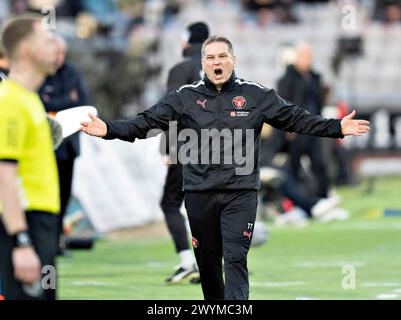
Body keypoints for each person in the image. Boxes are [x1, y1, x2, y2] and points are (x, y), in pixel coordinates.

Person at [80, 36, 370, 300]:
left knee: (234, 258)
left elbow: (296, 118)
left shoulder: (257, 96)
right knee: (207, 266)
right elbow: (144, 123)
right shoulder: (184, 97)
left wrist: (336, 127)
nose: (216, 62)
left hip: (240, 193)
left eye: (222, 56)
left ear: (233, 60)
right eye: (210, 58)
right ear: (203, 63)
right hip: (198, 193)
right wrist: (108, 128)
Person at [0, 14, 60, 300]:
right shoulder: (9, 100)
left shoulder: (30, 99)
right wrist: (21, 242)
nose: (56, 46)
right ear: (26, 50)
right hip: (25, 224)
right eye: (47, 40)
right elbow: (3, 175)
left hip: (43, 224)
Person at [161, 22, 209, 284]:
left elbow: (172, 110)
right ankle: (210, 263)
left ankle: (187, 261)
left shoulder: (180, 70)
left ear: (188, 40)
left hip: (186, 145)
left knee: (170, 203)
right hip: (221, 145)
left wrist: (167, 147)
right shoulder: (220, 66)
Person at [39, 35, 89, 256]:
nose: (58, 57)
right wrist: (66, 102)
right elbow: (40, 102)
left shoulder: (72, 73)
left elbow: (83, 102)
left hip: (69, 145)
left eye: (61, 53)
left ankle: (58, 239)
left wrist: (56, 106)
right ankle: (46, 241)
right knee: (49, 194)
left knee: (65, 193)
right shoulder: (41, 74)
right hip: (47, 146)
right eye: (55, 52)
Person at [278, 42, 332, 199]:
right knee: (293, 166)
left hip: (314, 126)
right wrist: (287, 127)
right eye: (304, 56)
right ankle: (294, 200)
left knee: (319, 164)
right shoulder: (287, 79)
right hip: (297, 128)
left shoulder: (315, 77)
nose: (308, 59)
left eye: (309, 56)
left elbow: (318, 101)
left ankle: (323, 198)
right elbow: (283, 103)